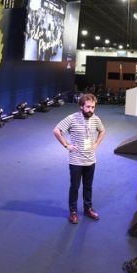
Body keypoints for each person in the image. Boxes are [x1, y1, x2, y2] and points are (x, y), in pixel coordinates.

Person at [53, 93, 106, 224]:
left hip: (90, 160)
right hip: (76, 161)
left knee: (88, 186)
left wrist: (96, 144)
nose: (91, 110)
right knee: (75, 187)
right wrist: (66, 145)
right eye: (88, 107)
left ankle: (88, 209)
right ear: (81, 106)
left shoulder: (95, 119)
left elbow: (102, 130)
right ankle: (73, 212)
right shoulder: (72, 118)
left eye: (93, 107)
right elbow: (56, 130)